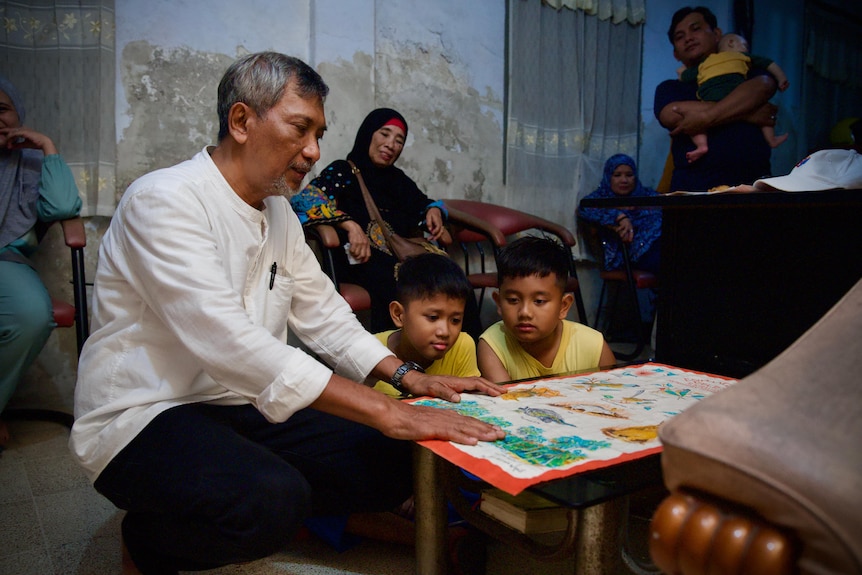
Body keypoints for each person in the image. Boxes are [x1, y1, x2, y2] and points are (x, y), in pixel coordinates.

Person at [69, 52, 505, 575]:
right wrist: (385, 408)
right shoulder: (164, 200)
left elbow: (324, 312)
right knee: (272, 502)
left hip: (234, 403)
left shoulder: (277, 211)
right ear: (241, 121)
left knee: (392, 459)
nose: (313, 151)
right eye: (301, 129)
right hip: (143, 413)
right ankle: (148, 539)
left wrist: (405, 378)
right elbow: (228, 341)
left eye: (319, 133)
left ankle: (236, 484)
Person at [290, 108, 481, 336]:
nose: (391, 144)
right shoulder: (344, 170)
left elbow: (422, 204)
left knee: (454, 279)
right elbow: (304, 202)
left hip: (398, 257)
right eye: (384, 134)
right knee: (398, 281)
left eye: (399, 140)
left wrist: (433, 211)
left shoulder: (398, 180)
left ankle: (465, 356)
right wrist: (349, 224)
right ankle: (398, 360)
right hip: (360, 258)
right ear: (368, 134)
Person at [0, 74, 81, 448]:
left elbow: (63, 206)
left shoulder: (30, 161)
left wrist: (46, 147)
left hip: (6, 262)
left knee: (33, 314)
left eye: (2, 110)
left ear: (18, 115)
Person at [654, 6, 779, 191]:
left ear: (717, 34)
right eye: (679, 37)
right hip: (691, 193)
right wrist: (748, 112)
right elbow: (670, 115)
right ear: (675, 53)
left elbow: (764, 85)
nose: (688, 38)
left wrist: (704, 118)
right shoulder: (670, 88)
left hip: (752, 189)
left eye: (695, 29)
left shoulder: (745, 71)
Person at [477, 236, 616, 383]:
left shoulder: (593, 346)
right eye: (513, 300)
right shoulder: (492, 345)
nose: (525, 312)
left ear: (563, 306)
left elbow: (617, 397)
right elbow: (506, 403)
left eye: (539, 301)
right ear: (499, 303)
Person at [373, 252, 480, 397]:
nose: (444, 332)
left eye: (455, 320)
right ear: (398, 314)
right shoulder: (371, 350)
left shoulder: (462, 346)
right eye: (433, 317)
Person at [678, 32, 790, 163]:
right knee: (695, 122)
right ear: (731, 43)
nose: (746, 49)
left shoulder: (709, 62)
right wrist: (782, 78)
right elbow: (770, 64)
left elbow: (683, 75)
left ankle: (701, 145)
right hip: (725, 98)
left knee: (764, 112)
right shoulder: (740, 56)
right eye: (744, 45)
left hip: (725, 97)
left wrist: (680, 72)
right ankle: (772, 139)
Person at [577, 154, 662, 276]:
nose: (624, 180)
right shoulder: (600, 198)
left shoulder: (646, 195)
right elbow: (584, 208)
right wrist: (619, 216)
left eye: (629, 175)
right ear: (608, 177)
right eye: (617, 175)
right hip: (630, 255)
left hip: (659, 246)